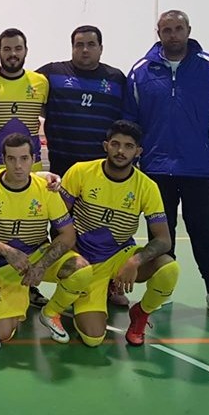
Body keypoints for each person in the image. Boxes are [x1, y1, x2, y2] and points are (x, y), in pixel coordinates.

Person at [124, 10, 209, 321]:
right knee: (161, 236)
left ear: (189, 30)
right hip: (154, 170)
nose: (173, 34)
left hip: (198, 169)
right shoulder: (141, 72)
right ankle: (163, 289)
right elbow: (130, 122)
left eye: (179, 28)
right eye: (167, 29)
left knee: (205, 233)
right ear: (158, 32)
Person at [0, 133, 92, 343]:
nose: (18, 165)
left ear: (33, 159)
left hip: (37, 257)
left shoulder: (46, 189)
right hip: (3, 266)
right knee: (3, 333)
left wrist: (41, 266)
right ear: (3, 161)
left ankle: (50, 313)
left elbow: (68, 234)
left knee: (81, 269)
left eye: (24, 158)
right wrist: (7, 251)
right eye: (11, 159)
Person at [60, 121, 180, 346]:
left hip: (119, 257)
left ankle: (141, 314)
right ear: (106, 145)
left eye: (128, 146)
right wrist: (74, 258)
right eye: (115, 144)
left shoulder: (147, 186)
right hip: (83, 259)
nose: (121, 151)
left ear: (138, 151)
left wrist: (135, 261)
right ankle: (90, 289)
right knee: (92, 338)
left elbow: (164, 240)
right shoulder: (81, 172)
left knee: (169, 267)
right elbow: (57, 222)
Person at [38, 25, 130, 307]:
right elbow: (20, 84)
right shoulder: (51, 74)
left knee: (103, 226)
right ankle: (72, 277)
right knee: (62, 226)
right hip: (63, 166)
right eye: (79, 44)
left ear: (101, 47)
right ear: (72, 47)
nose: (85, 50)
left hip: (103, 171)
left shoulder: (116, 79)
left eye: (91, 44)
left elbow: (125, 124)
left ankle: (111, 282)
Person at [0, 28, 49, 170]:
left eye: (18, 48)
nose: (13, 54)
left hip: (31, 169)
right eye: (7, 49)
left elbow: (53, 115)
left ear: (26, 50)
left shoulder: (41, 82)